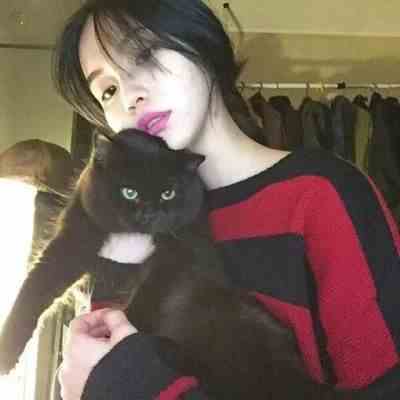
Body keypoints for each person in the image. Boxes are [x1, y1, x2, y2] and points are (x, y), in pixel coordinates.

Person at [53, 0, 400, 398]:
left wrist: (126, 383)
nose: (129, 96)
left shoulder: (321, 194)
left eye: (144, 55)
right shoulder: (125, 227)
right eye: (108, 90)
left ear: (197, 40)